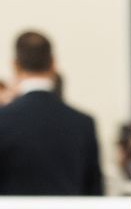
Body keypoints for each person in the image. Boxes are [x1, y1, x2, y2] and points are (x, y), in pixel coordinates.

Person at [0, 31, 102, 195]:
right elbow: (94, 193)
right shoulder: (83, 123)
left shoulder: (3, 120)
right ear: (53, 63)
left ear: (15, 66)